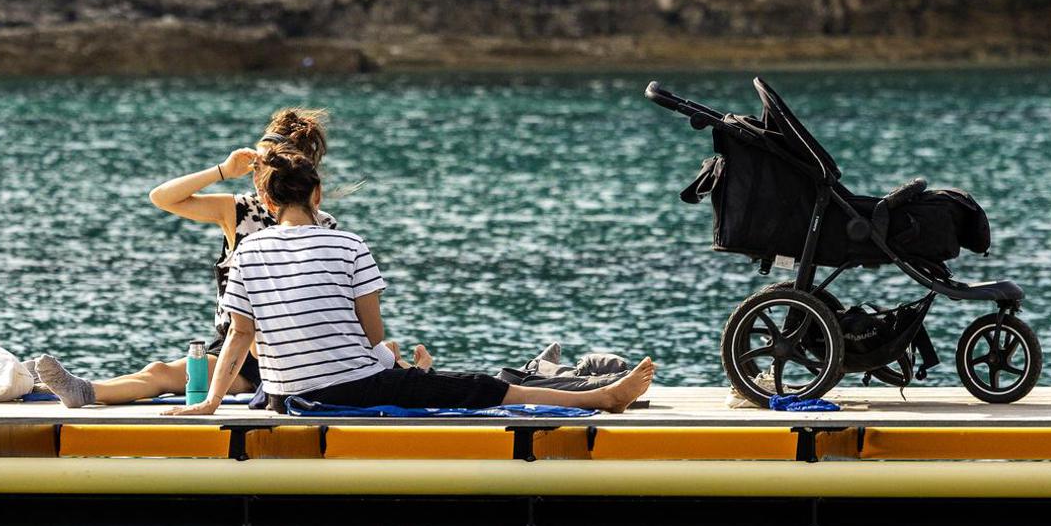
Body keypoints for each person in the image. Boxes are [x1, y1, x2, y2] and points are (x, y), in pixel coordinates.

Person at [163, 148, 654, 417]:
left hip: (282, 395)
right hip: (345, 388)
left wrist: (209, 403)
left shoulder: (247, 249)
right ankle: (598, 398)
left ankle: (594, 394)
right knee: (476, 386)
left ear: (267, 204)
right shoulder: (348, 243)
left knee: (419, 376)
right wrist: (397, 365)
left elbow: (240, 335)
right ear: (316, 193)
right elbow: (372, 335)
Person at [36, 108, 400, 408]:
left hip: (295, 343)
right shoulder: (240, 209)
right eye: (257, 166)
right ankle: (83, 390)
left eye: (264, 167)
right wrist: (223, 171)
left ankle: (85, 390)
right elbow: (162, 197)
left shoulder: (326, 229)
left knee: (167, 374)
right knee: (163, 372)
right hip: (237, 341)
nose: (257, 175)